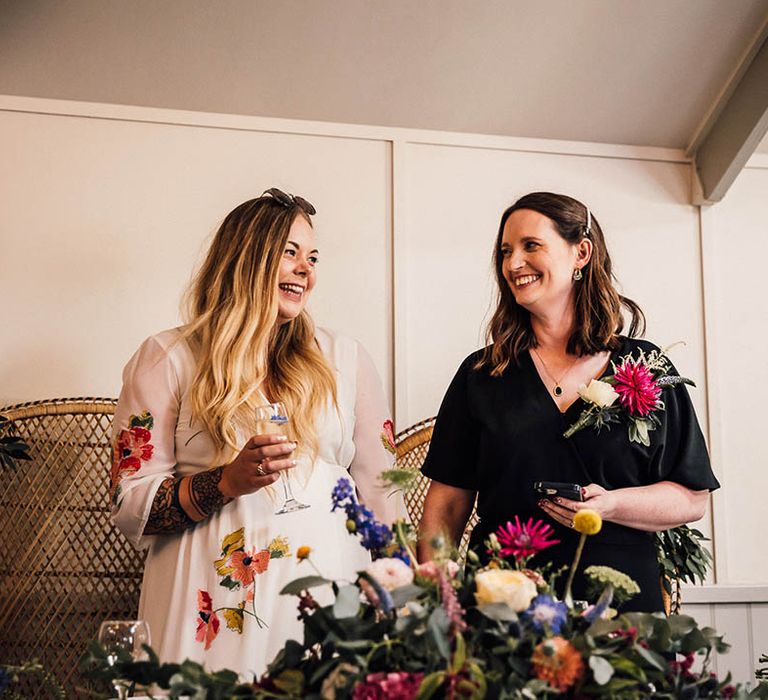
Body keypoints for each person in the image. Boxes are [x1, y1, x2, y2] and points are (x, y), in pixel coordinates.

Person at [110, 188, 402, 677]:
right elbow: (130, 505)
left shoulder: (346, 357)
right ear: (246, 257)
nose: (306, 269)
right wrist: (224, 482)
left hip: (326, 590)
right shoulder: (167, 357)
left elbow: (381, 489)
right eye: (289, 252)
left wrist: (402, 593)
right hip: (210, 605)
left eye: (312, 257)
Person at [417, 192, 719, 612]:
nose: (513, 264)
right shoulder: (482, 375)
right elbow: (446, 505)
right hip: (503, 599)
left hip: (622, 600)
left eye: (530, 246)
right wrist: (440, 600)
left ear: (581, 252)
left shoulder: (645, 367)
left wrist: (610, 504)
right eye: (505, 252)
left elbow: (691, 498)